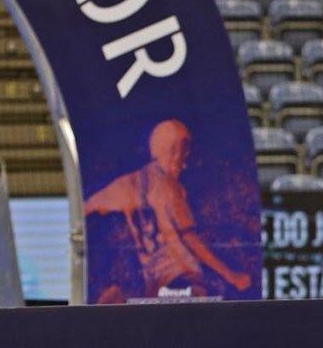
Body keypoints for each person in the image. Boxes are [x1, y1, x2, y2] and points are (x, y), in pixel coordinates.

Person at [83, 119, 252, 302]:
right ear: (173, 150)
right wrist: (231, 276)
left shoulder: (126, 184)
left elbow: (88, 207)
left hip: (155, 284)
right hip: (184, 276)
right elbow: (190, 239)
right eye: (184, 149)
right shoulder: (169, 188)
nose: (186, 159)